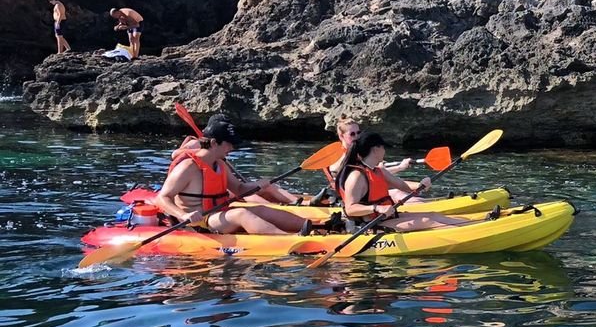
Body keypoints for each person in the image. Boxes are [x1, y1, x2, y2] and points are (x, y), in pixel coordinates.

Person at [153, 118, 311, 236]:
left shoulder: (219, 165)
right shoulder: (188, 167)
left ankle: (318, 226)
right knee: (241, 214)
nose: (232, 148)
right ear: (214, 143)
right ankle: (289, 239)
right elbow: (162, 198)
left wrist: (259, 185)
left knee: (262, 210)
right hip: (199, 223)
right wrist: (183, 215)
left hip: (219, 215)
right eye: (228, 144)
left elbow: (239, 189)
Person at [338, 132, 473, 233]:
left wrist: (421, 185)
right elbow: (350, 209)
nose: (385, 151)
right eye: (383, 148)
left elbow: (403, 185)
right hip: (370, 226)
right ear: (375, 149)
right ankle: (470, 234)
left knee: (433, 215)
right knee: (428, 221)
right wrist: (376, 208)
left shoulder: (378, 171)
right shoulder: (356, 176)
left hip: (386, 218)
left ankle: (477, 226)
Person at [170, 114, 305, 207]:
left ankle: (299, 202)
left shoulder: (219, 152)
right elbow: (176, 154)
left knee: (266, 185)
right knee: (242, 194)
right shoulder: (197, 144)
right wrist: (205, 153)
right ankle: (275, 208)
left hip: (216, 186)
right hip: (202, 190)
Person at [315, 117, 416, 205]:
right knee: (399, 193)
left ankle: (423, 191)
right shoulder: (340, 157)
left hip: (366, 192)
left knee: (402, 192)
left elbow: (376, 172)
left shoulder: (359, 153)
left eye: (358, 133)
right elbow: (370, 173)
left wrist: (385, 166)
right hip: (349, 199)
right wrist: (400, 167)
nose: (357, 137)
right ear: (341, 136)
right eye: (352, 134)